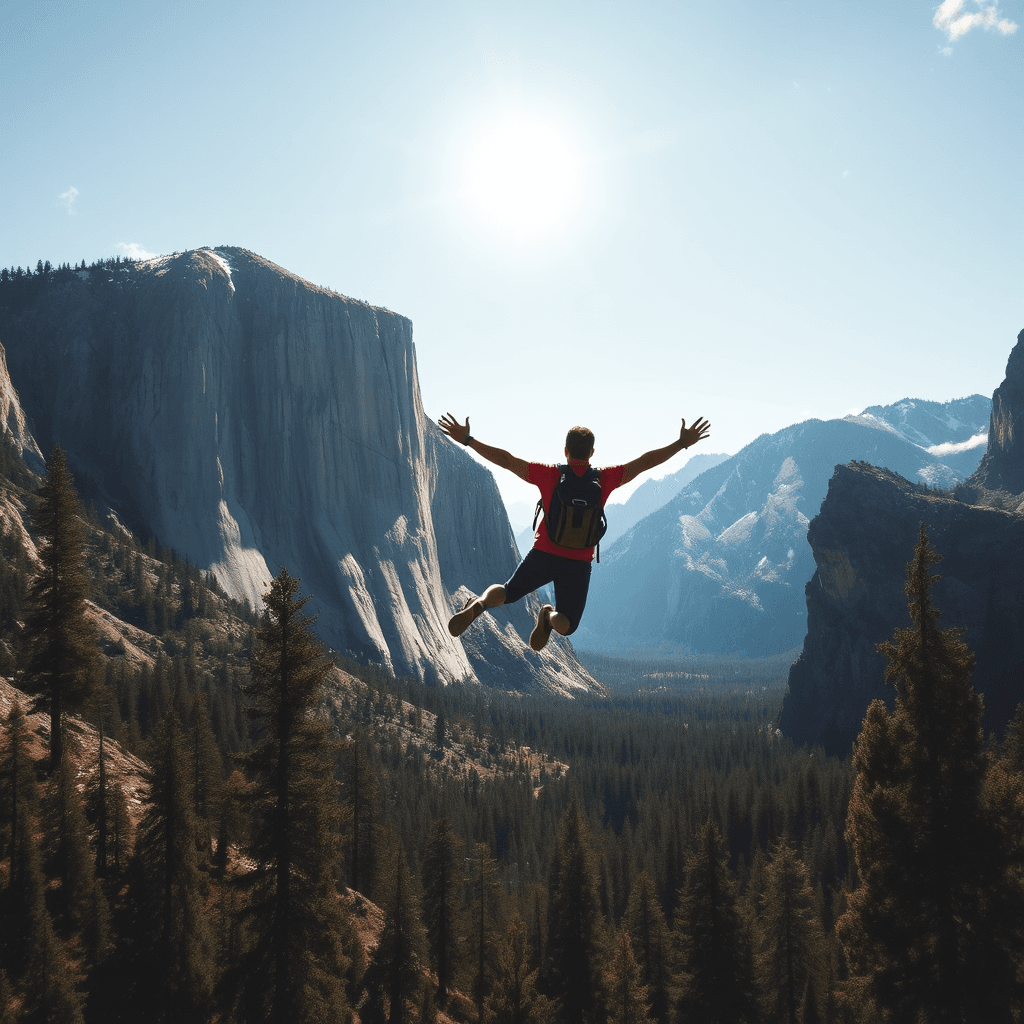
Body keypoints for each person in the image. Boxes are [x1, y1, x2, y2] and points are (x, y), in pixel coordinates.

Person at [438, 413, 711, 651]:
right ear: (592, 453)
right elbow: (644, 462)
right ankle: (548, 617)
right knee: (567, 624)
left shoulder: (550, 475)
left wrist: (468, 440)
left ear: (566, 450)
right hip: (578, 564)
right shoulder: (604, 479)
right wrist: (680, 444)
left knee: (509, 591)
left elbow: (507, 460)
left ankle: (480, 604)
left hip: (543, 553)